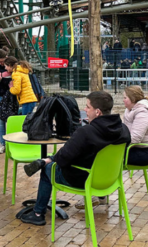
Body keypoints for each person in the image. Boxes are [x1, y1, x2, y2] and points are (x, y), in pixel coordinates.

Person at [19, 91, 131, 225]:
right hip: (111, 179)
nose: (85, 110)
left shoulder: (86, 132)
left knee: (49, 169)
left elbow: (64, 157)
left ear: (98, 112)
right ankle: (46, 161)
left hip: (83, 178)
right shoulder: (123, 129)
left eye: (88, 107)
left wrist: (51, 160)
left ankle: (38, 213)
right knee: (59, 161)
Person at [0, 47, 12, 154]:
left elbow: (13, 81)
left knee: (10, 119)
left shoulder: (10, 66)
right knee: (1, 119)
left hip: (9, 95)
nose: (0, 63)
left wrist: (2, 80)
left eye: (2, 61)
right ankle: (2, 143)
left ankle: (11, 142)